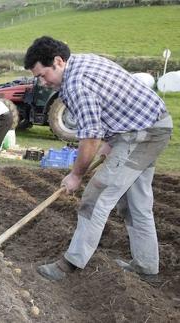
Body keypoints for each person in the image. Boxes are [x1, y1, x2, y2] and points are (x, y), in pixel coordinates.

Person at [24, 36, 173, 282]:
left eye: (42, 75)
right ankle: (147, 267)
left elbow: (90, 137)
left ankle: (69, 264)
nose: (42, 82)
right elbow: (110, 106)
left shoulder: (75, 85)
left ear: (58, 62)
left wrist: (76, 175)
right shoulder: (82, 62)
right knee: (135, 203)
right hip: (148, 126)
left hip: (142, 134)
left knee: (96, 197)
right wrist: (110, 142)